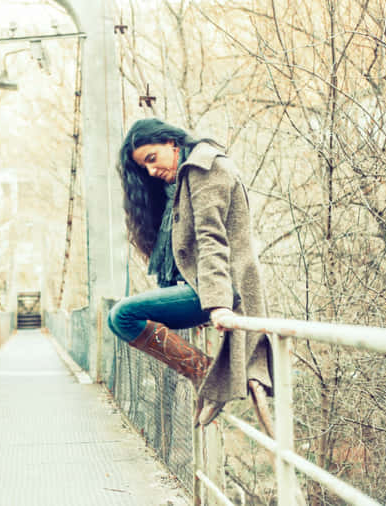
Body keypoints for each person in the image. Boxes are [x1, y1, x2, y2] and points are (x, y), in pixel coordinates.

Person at [108, 117, 274, 436]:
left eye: (152, 159)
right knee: (119, 318)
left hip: (224, 290)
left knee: (123, 315)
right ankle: (204, 373)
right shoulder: (188, 175)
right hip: (208, 287)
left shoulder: (204, 168)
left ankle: (204, 374)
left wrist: (216, 306)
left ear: (171, 142)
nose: (151, 171)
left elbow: (212, 239)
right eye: (145, 167)